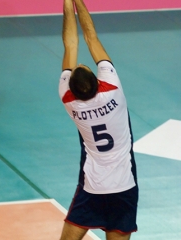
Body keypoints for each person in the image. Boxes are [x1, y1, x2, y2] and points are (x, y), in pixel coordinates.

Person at [58, 0, 138, 239]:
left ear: (71, 86)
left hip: (92, 187)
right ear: (97, 79)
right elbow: (90, 38)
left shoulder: (68, 99)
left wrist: (65, 4)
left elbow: (70, 45)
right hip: (124, 185)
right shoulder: (112, 86)